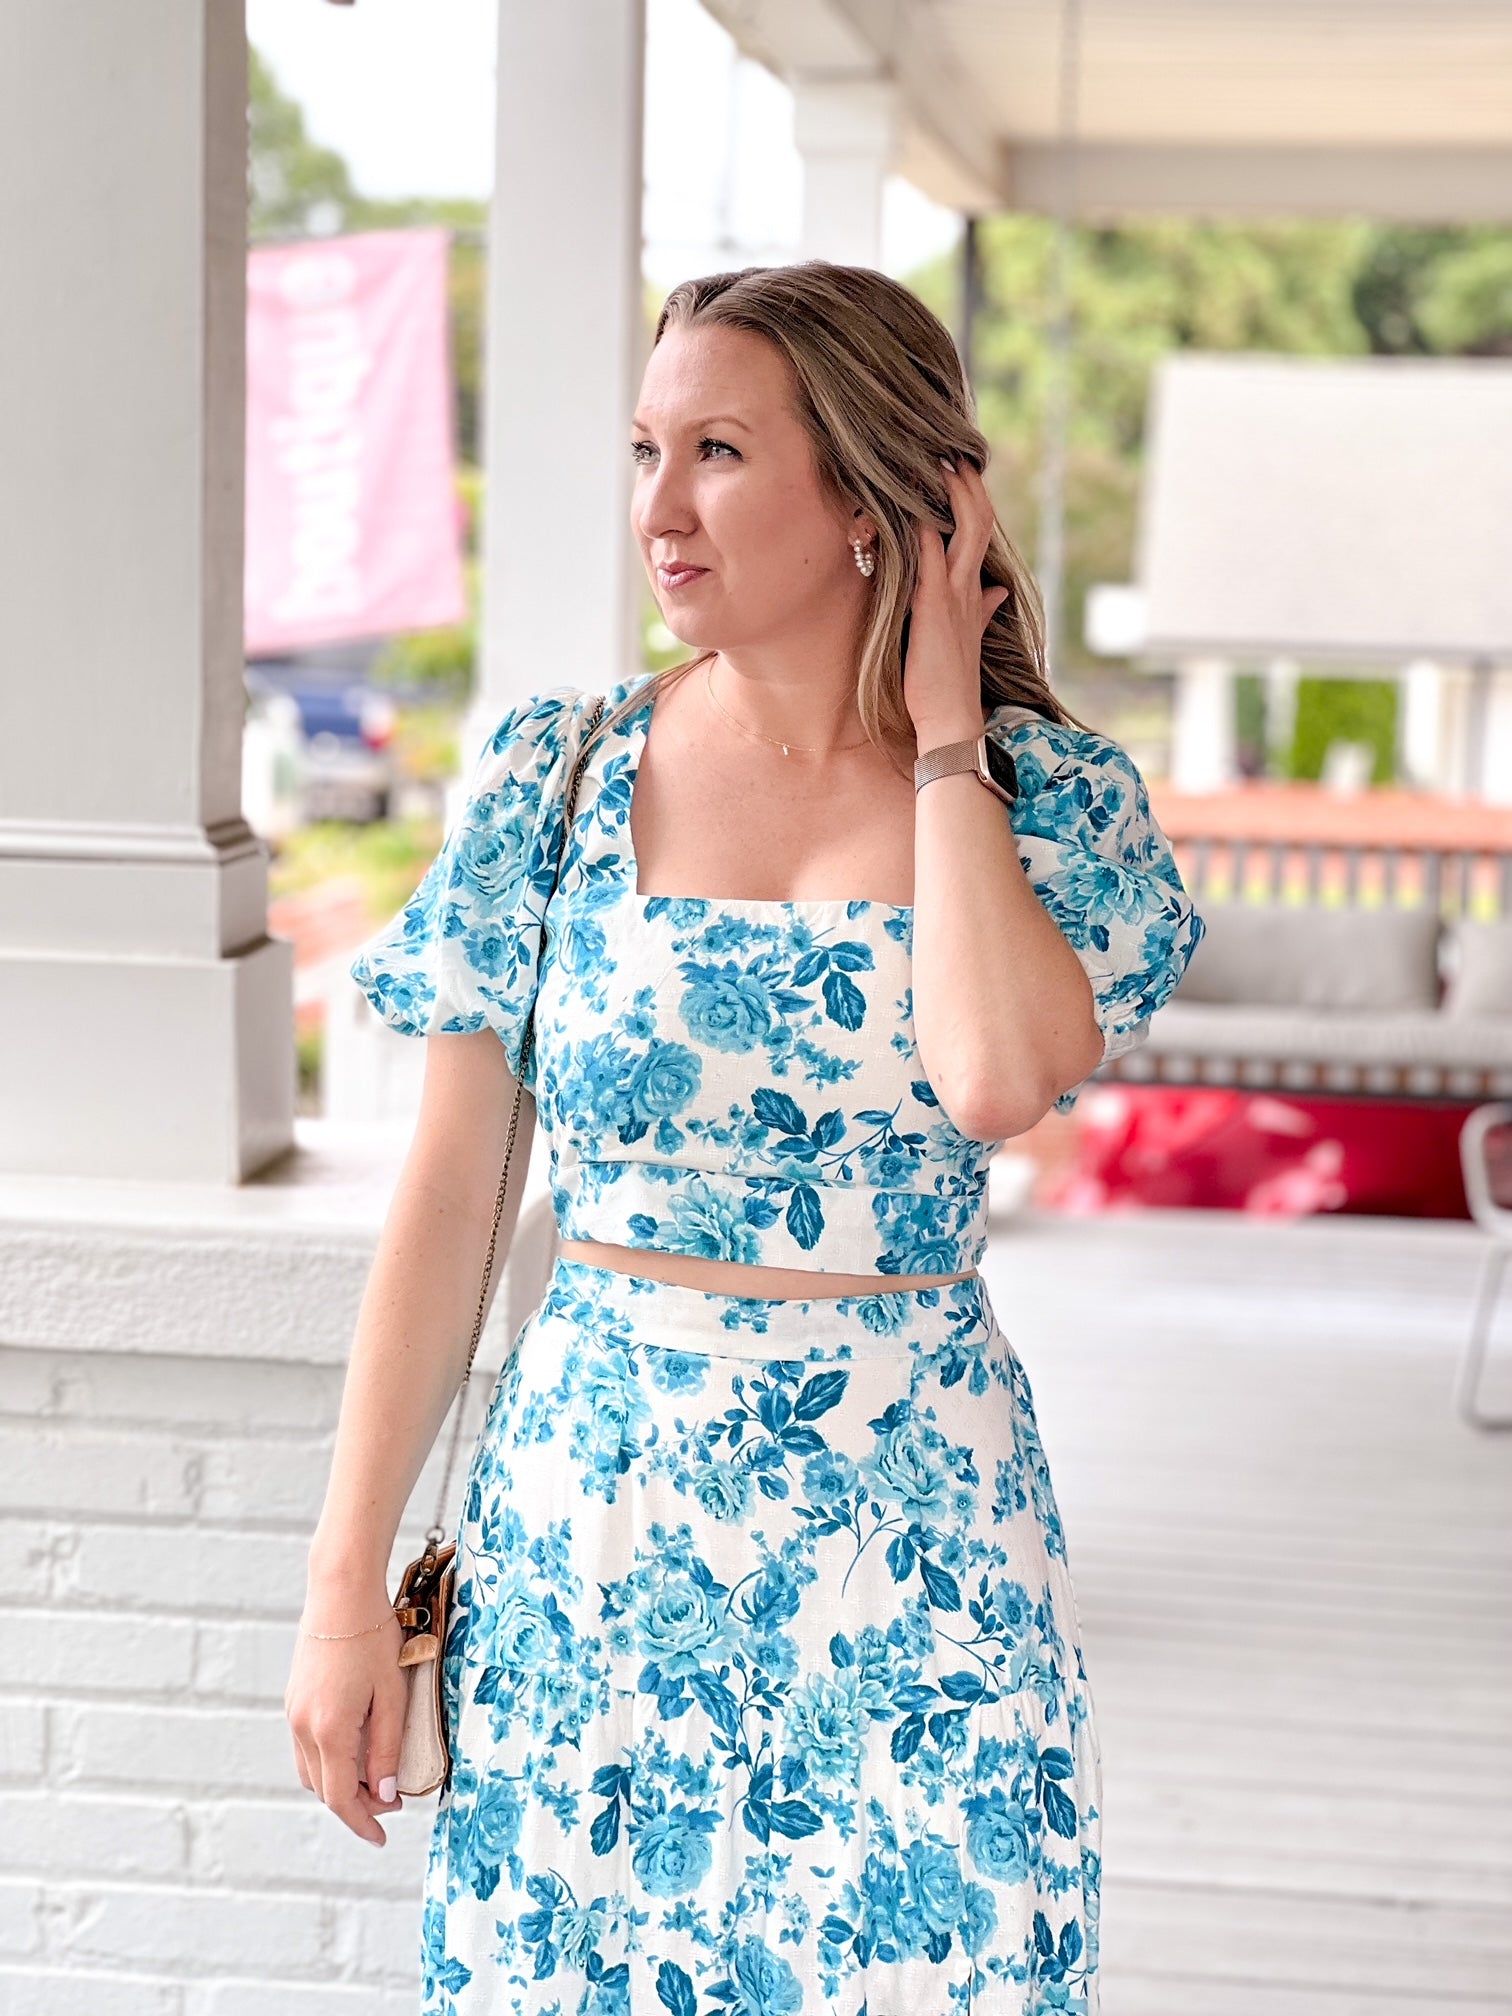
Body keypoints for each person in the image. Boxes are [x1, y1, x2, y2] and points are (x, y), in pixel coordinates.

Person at [285, 259, 1204, 2016]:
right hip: (598, 1528)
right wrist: (345, 1587)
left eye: (717, 451)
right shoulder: (556, 777)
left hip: (917, 1531)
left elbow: (996, 1080)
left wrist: (947, 736)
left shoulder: (1047, 803)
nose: (661, 509)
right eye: (648, 450)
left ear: (873, 497)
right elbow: (450, 1195)